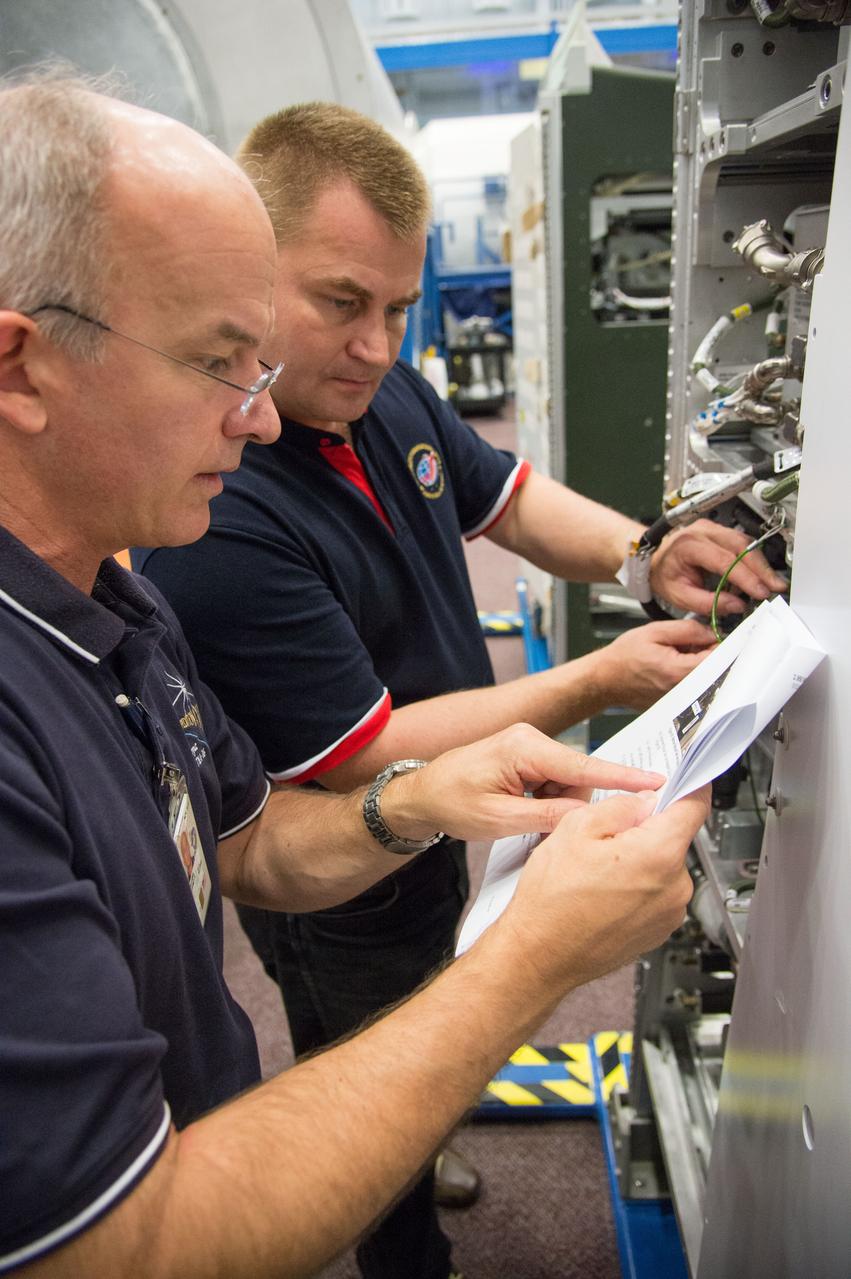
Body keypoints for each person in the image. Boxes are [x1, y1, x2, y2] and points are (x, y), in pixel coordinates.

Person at [0, 74, 712, 1279]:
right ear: (21, 368)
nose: (263, 416)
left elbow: (249, 843)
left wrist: (417, 800)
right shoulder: (159, 580)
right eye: (224, 361)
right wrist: (531, 959)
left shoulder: (116, 605)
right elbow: (125, 1244)